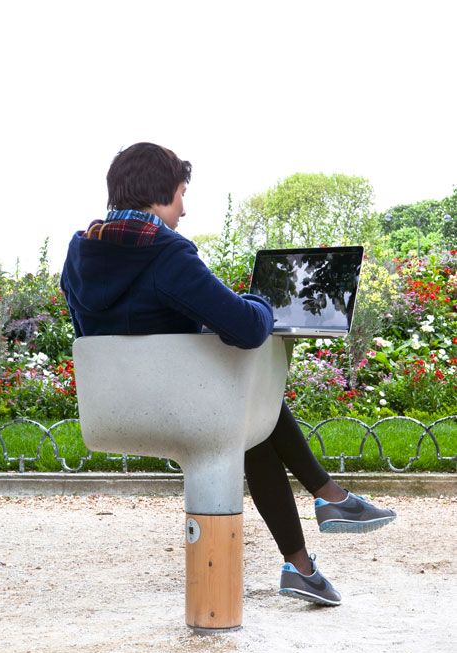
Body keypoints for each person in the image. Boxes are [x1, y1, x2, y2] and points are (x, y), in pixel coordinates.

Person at [61, 142, 396, 607]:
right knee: (239, 391)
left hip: (115, 409)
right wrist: (259, 301)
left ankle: (303, 563)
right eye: (180, 195)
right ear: (160, 195)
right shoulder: (166, 252)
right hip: (182, 408)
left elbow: (116, 330)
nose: (184, 209)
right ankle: (328, 494)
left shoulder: (78, 255)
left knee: (241, 414)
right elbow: (247, 327)